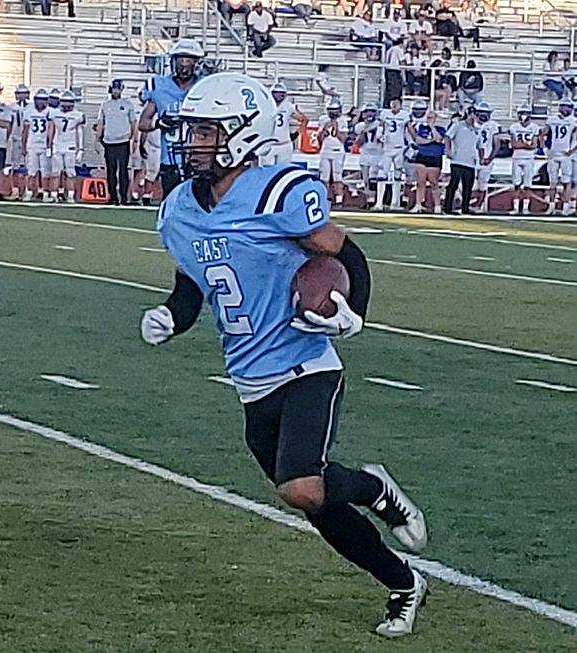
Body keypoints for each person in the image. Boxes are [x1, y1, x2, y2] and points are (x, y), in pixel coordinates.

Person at [142, 71, 428, 639]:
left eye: (207, 132)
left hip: (306, 364)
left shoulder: (279, 191)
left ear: (245, 134)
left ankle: (374, 488)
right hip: (248, 375)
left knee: (300, 484)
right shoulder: (179, 209)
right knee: (314, 502)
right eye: (192, 130)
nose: (194, 142)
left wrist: (353, 312)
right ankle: (403, 583)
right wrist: (173, 316)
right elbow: (194, 283)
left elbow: (343, 252)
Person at [138, 38, 205, 197]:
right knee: (171, 207)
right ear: (173, 61)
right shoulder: (159, 86)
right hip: (170, 160)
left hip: (199, 158)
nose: (184, 64)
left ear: (196, 63)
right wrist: (160, 123)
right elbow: (143, 123)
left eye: (188, 59)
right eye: (181, 59)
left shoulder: (205, 86)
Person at [96, 79, 137, 205]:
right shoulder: (105, 105)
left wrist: (134, 139)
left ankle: (124, 197)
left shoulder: (128, 104)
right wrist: (97, 139)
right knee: (111, 171)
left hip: (123, 141)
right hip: (109, 141)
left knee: (123, 171)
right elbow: (101, 123)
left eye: (118, 89)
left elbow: (133, 122)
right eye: (114, 89)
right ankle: (112, 196)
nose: (116, 91)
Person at [47, 90, 85, 203]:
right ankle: (54, 194)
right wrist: (49, 146)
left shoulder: (78, 115)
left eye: (69, 102)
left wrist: (81, 148)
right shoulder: (54, 114)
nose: (66, 105)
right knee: (55, 172)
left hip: (70, 145)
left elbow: (80, 132)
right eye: (64, 102)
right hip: (57, 145)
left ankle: (70, 195)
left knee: (70, 172)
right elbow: (51, 130)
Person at [442, 109, 482, 214]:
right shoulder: (458, 125)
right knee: (453, 185)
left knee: (468, 187)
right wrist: (448, 151)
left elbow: (480, 146)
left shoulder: (477, 129)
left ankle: (465, 208)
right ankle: (447, 207)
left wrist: (481, 158)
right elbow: (447, 137)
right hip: (457, 160)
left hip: (470, 162)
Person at [407, 103, 444, 212]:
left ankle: (437, 205)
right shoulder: (422, 128)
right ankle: (418, 204)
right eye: (428, 117)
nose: (429, 119)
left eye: (431, 117)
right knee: (420, 181)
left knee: (433, 182)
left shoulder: (440, 129)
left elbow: (439, 139)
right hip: (422, 155)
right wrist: (429, 141)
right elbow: (418, 141)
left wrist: (432, 127)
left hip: (435, 156)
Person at [374, 98, 409, 210]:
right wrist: (379, 135)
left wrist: (411, 142)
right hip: (387, 148)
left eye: (396, 104)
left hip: (399, 147)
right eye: (392, 103)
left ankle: (395, 203)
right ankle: (379, 202)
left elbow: (407, 130)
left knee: (398, 176)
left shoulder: (404, 115)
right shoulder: (385, 114)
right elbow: (381, 126)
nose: (394, 105)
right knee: (382, 175)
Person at [261, 83, 307, 165]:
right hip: (269, 145)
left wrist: (296, 133)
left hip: (284, 144)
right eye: (275, 93)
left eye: (280, 93)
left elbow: (304, 120)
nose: (278, 96)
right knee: (266, 171)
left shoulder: (288, 106)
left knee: (282, 170)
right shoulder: (265, 105)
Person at [21, 88, 55, 202]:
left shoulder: (50, 112)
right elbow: (25, 130)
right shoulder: (28, 111)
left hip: (44, 146)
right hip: (32, 144)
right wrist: (24, 144)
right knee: (31, 171)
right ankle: (29, 192)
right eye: (39, 99)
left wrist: (49, 145)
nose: (41, 102)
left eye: (44, 100)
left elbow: (51, 129)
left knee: (46, 172)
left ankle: (45, 193)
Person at [543, 98, 575, 214]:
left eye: (568, 107)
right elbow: (544, 133)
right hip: (553, 153)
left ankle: (565, 207)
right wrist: (545, 148)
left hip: (565, 154)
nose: (566, 109)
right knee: (553, 181)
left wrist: (572, 150)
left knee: (567, 181)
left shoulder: (573, 120)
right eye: (564, 106)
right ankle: (551, 206)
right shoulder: (552, 120)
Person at [131, 87, 161, 205]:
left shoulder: (162, 107)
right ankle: (146, 194)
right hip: (152, 145)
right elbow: (144, 128)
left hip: (163, 144)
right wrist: (141, 144)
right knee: (150, 171)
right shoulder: (143, 109)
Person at [317, 98, 350, 206]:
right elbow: (320, 139)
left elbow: (343, 139)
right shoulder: (323, 119)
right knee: (324, 177)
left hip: (337, 150)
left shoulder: (343, 120)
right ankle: (324, 198)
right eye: (331, 110)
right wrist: (324, 130)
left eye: (335, 110)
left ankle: (339, 199)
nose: (333, 112)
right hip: (325, 149)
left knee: (337, 176)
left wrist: (336, 128)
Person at [509, 104, 539, 215]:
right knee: (516, 184)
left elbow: (534, 145)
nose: (523, 115)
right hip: (517, 157)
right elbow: (513, 144)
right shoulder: (514, 127)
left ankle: (526, 207)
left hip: (529, 158)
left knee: (527, 185)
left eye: (525, 113)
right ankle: (516, 207)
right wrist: (526, 145)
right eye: (521, 113)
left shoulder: (534, 127)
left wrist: (522, 145)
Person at [472, 101, 500, 212]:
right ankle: (466, 203)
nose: (483, 115)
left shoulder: (493, 126)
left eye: (486, 113)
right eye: (481, 112)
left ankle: (479, 205)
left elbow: (496, 144)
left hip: (487, 157)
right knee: (469, 183)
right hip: (472, 158)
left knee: (483, 184)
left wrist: (490, 158)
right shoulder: (470, 123)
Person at [353, 103, 384, 205]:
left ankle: (375, 200)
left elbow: (382, 140)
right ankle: (369, 200)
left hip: (377, 154)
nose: (369, 114)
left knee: (373, 179)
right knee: (366, 180)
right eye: (366, 112)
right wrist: (364, 131)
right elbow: (358, 143)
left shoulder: (380, 125)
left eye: (371, 111)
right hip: (365, 154)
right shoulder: (360, 126)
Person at [9, 84, 31, 199]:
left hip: (30, 140)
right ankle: (15, 190)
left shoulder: (31, 107)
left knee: (29, 167)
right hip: (15, 138)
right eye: (19, 93)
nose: (21, 96)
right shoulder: (12, 107)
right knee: (15, 166)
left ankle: (28, 190)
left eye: (24, 93)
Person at [383, 40, 405, 106]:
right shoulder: (398, 49)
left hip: (388, 70)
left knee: (389, 90)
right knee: (395, 91)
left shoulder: (389, 50)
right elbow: (402, 61)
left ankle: (387, 105)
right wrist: (403, 75)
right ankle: (394, 105)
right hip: (395, 70)